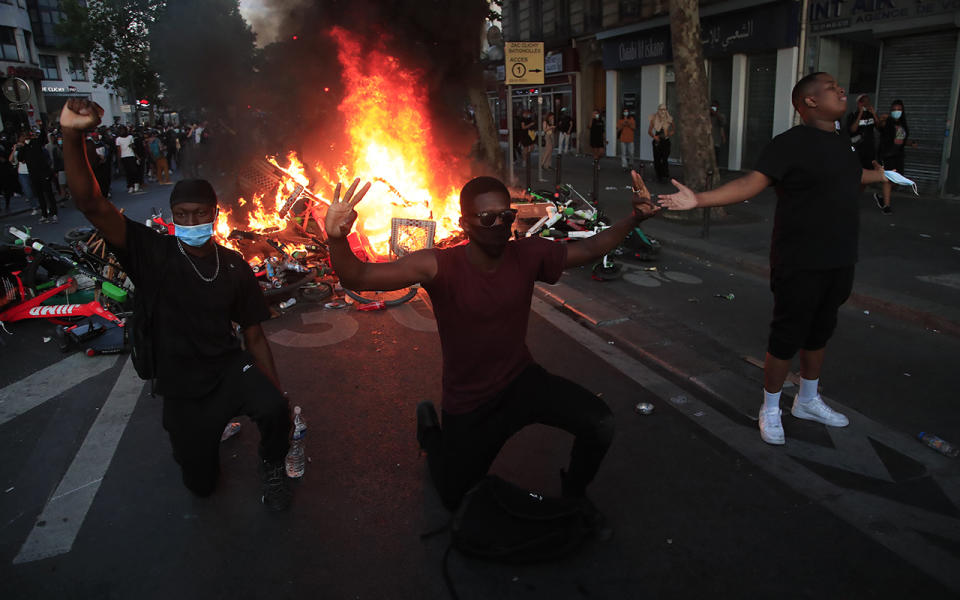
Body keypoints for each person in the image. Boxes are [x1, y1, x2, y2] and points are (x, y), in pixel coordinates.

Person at [323, 171, 660, 524]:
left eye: (507, 216)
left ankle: (574, 496)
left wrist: (635, 217)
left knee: (600, 423)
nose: (500, 224)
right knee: (454, 496)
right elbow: (358, 277)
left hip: (521, 382)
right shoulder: (439, 265)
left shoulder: (528, 254)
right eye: (487, 218)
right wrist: (336, 238)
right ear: (463, 223)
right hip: (470, 402)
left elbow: (590, 248)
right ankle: (430, 429)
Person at [60, 98, 293, 511]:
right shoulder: (153, 253)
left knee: (275, 408)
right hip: (182, 386)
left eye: (200, 214)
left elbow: (254, 335)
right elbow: (92, 204)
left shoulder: (234, 265)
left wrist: (275, 392)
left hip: (226, 369)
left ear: (214, 215)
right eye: (182, 215)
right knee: (201, 484)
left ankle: (273, 464)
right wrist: (71, 135)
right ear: (172, 217)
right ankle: (201, 444)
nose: (191, 222)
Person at [658, 72, 888, 446]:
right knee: (787, 335)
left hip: (841, 256)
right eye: (831, 87)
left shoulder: (842, 142)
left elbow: (847, 176)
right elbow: (752, 183)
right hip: (800, 258)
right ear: (809, 101)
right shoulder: (789, 144)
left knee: (820, 331)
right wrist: (699, 199)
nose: (841, 90)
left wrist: (879, 175)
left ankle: (808, 401)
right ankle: (770, 407)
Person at [874, 99, 916, 215]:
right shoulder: (887, 122)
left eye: (898, 109)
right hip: (887, 155)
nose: (896, 112)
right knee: (888, 180)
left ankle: (882, 198)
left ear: (902, 111)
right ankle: (886, 206)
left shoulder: (903, 124)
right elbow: (879, 126)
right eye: (894, 110)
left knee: (897, 181)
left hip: (898, 155)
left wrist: (910, 143)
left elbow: (900, 140)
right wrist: (881, 118)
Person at [648, 104, 674, 183]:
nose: (663, 111)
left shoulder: (669, 119)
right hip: (657, 141)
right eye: (661, 109)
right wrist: (654, 136)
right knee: (657, 159)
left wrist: (669, 134)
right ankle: (659, 175)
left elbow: (673, 129)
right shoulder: (654, 119)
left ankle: (665, 174)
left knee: (665, 158)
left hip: (665, 140)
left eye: (664, 109)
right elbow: (649, 131)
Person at [115, 126, 141, 193]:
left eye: (123, 130)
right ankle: (130, 186)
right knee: (128, 172)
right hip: (124, 157)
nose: (122, 131)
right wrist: (119, 160)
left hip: (131, 155)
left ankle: (136, 184)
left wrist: (137, 156)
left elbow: (133, 147)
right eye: (121, 130)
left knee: (134, 170)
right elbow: (119, 150)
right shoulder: (118, 139)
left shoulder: (130, 137)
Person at [710, 100, 727, 167]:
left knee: (716, 157)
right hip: (707, 141)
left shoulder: (720, 116)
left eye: (714, 107)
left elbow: (723, 124)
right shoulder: (707, 116)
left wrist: (716, 114)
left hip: (716, 140)